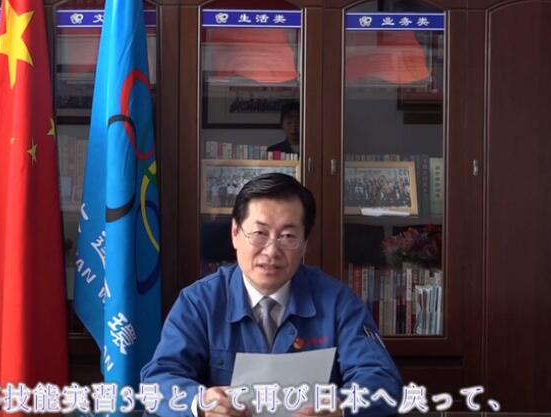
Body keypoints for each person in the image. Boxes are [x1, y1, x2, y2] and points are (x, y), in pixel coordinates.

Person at [141, 173, 402, 417]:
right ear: (235, 234)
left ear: (304, 243)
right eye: (259, 233)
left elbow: (383, 381)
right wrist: (199, 402)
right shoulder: (199, 302)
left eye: (288, 236)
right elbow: (158, 380)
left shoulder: (338, 302)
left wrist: (341, 406)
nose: (271, 251)